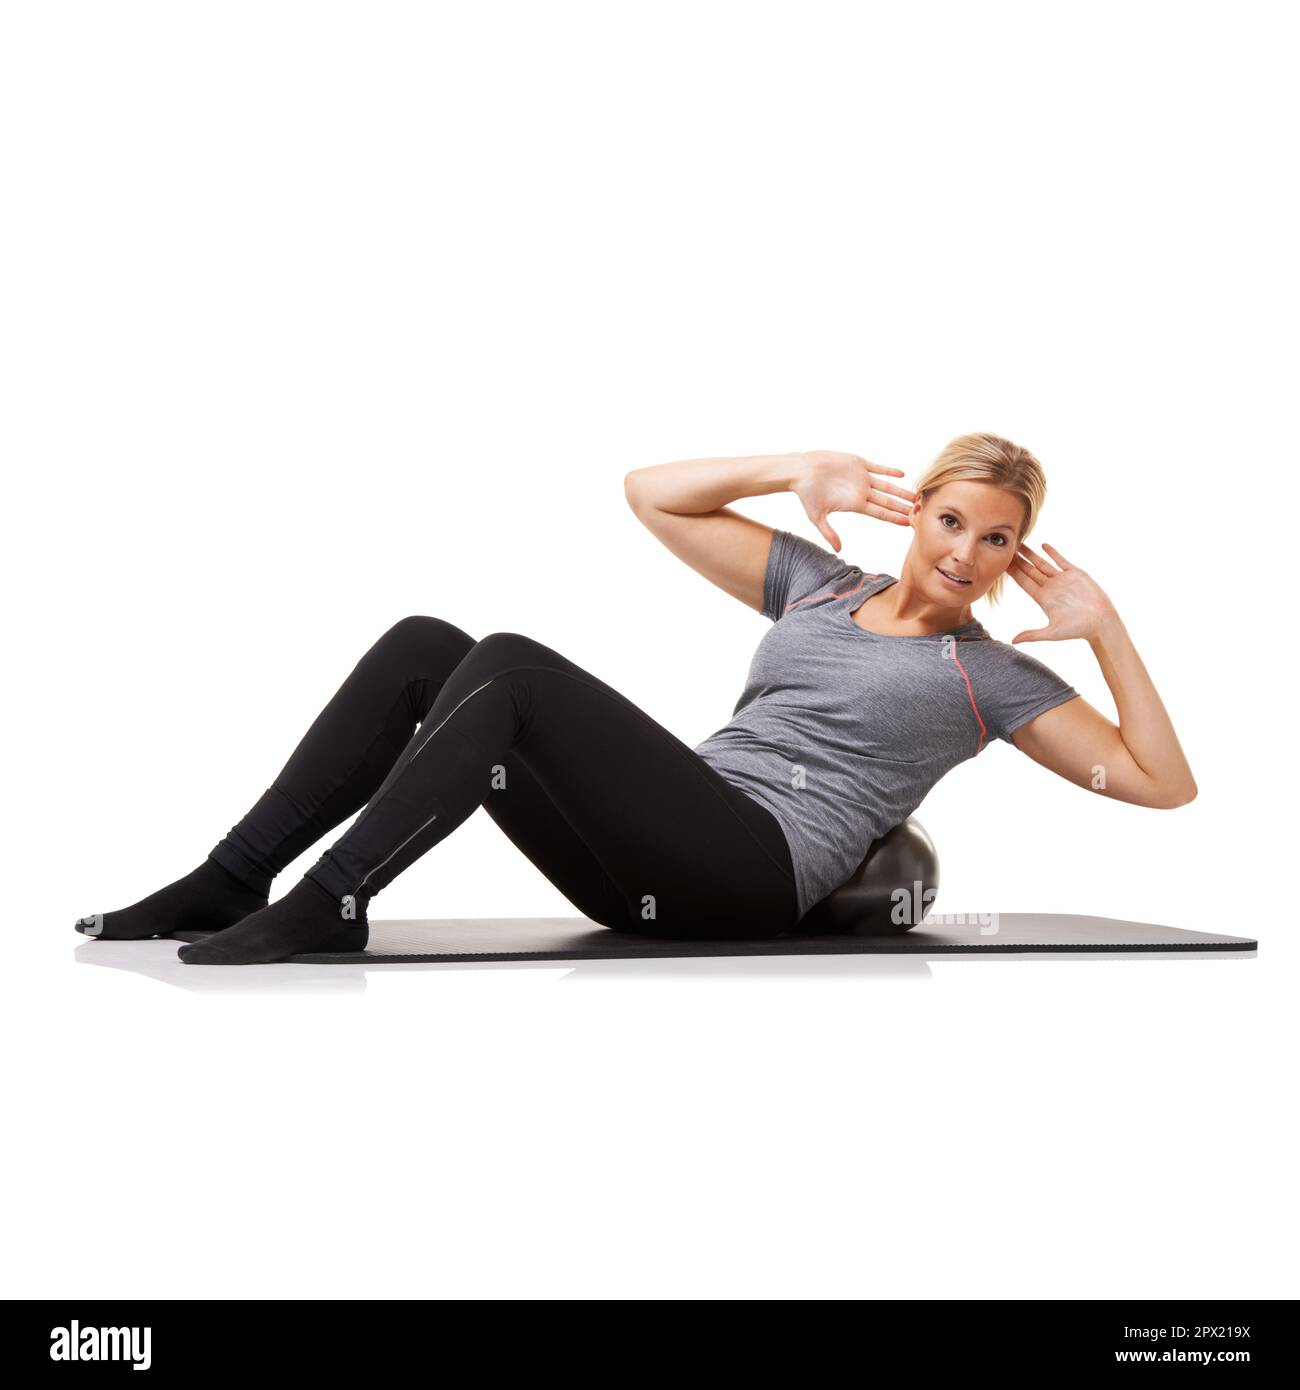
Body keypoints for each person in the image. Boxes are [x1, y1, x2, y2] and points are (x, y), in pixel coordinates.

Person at [75, 433, 1197, 964]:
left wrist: (1107, 633)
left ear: (1011, 560)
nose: (966, 553)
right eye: (952, 520)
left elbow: (1161, 783)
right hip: (658, 849)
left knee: (509, 665)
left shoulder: (986, 677)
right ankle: (227, 880)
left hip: (748, 871)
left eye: (995, 540)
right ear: (917, 515)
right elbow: (648, 496)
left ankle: (333, 899)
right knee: (429, 647)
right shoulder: (821, 583)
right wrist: (792, 467)